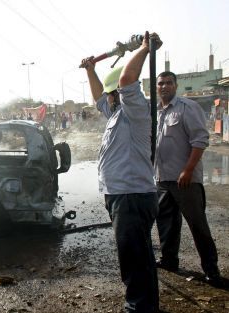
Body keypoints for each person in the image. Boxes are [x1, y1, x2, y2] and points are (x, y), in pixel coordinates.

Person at [81, 31, 162, 312]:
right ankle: (145, 304)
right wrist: (91, 70)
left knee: (133, 257)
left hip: (132, 196)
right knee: (137, 254)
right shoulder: (115, 113)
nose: (107, 98)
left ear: (117, 93)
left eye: (109, 93)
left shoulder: (135, 110)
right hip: (121, 195)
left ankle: (138, 307)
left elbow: (128, 80)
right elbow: (96, 98)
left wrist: (143, 50)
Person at [154, 71, 223, 287]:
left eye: (168, 83)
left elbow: (201, 140)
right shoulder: (156, 112)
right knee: (166, 224)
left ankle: (211, 270)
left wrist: (188, 170)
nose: (164, 87)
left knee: (198, 226)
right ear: (156, 87)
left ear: (176, 85)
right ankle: (169, 261)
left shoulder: (187, 107)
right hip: (162, 179)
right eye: (160, 83)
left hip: (185, 180)